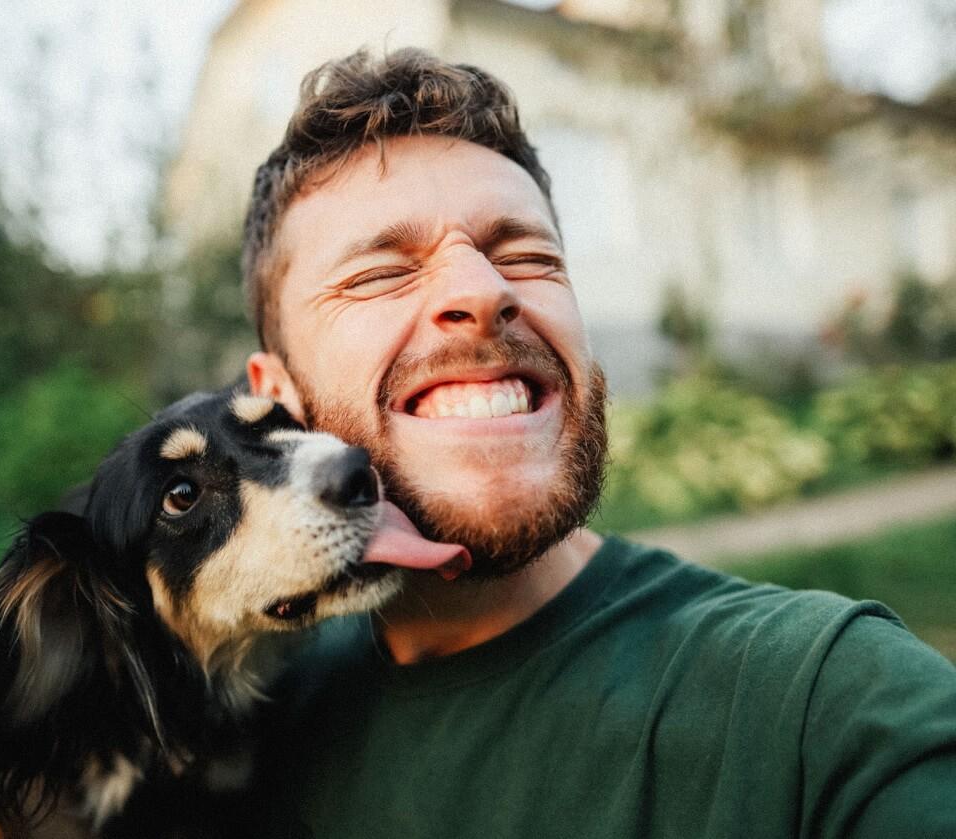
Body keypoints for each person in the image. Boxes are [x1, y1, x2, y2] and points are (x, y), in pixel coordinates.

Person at [240, 48, 956, 838]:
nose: (485, 289)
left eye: (528, 256)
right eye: (381, 273)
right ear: (277, 401)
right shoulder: (245, 729)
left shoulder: (827, 707)